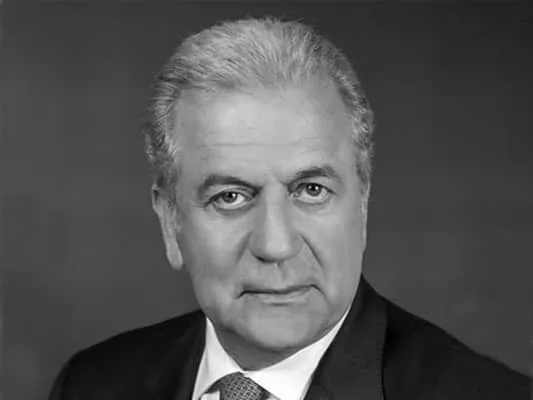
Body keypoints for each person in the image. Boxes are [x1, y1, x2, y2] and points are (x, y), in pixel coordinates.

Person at [49, 16, 529, 400]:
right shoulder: (93, 383)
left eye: (311, 190)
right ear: (171, 222)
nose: (275, 244)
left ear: (362, 205)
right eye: (230, 197)